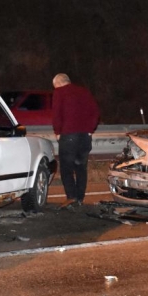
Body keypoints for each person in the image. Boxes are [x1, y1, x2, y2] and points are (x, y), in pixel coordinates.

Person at [52, 73, 101, 211]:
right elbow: (95, 112)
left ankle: (71, 197)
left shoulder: (59, 92)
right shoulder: (84, 91)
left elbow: (57, 114)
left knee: (66, 169)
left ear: (59, 83)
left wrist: (57, 132)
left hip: (69, 136)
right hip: (85, 137)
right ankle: (80, 197)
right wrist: (90, 129)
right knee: (81, 168)